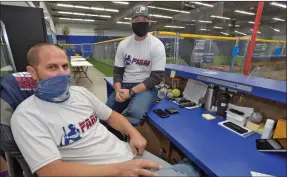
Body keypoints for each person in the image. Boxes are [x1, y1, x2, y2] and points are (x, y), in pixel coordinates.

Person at [10, 43, 201, 176]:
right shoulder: (27, 116)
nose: (62, 73)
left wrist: (134, 134)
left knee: (194, 169)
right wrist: (121, 169)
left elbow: (113, 117)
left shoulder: (80, 93)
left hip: (129, 154)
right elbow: (51, 171)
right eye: (52, 67)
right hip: (110, 171)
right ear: (32, 72)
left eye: (65, 66)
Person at [106, 5, 166, 120]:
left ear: (149, 21)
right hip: (125, 85)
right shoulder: (124, 44)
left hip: (146, 87)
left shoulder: (157, 45)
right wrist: (118, 90)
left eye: (144, 20)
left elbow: (156, 77)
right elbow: (118, 72)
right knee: (107, 112)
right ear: (131, 22)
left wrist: (131, 92)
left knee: (135, 114)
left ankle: (129, 135)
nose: (140, 23)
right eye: (136, 20)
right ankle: (116, 135)